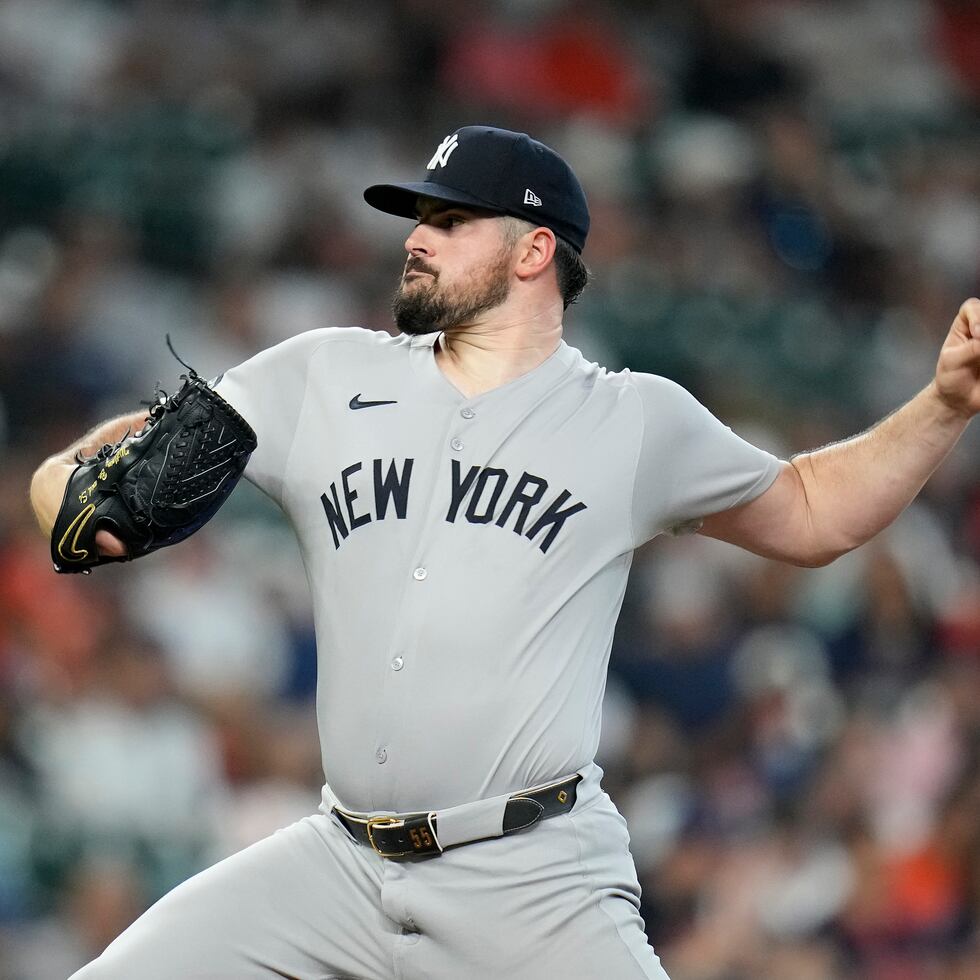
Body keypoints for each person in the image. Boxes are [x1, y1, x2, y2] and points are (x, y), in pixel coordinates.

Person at [29, 125, 980, 980]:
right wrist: (72, 480)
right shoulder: (322, 374)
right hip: (338, 864)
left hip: (531, 876)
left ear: (534, 250)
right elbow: (105, 469)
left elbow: (814, 514)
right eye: (417, 218)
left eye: (449, 219)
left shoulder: (630, 419)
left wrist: (941, 405)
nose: (416, 236)